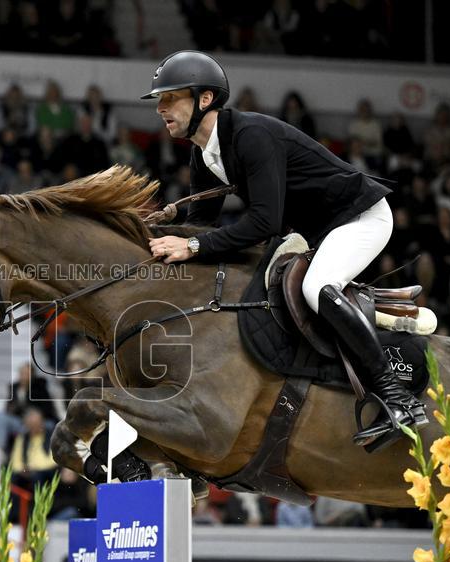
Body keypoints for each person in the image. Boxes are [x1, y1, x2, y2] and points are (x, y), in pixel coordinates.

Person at [141, 50, 424, 452]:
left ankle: (398, 397)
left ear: (205, 100)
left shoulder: (252, 136)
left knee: (316, 287)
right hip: (319, 230)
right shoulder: (204, 152)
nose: (160, 108)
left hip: (360, 218)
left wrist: (190, 245)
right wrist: (149, 237)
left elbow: (263, 223)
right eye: (159, 100)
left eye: (170, 98)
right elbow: (201, 225)